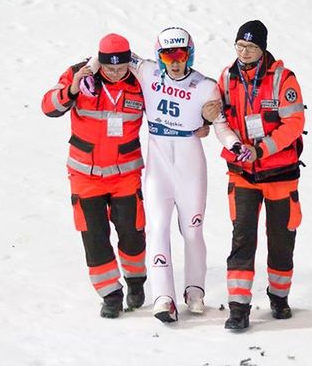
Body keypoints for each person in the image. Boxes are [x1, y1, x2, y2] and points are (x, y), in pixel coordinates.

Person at [88, 27, 238, 323]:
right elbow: (108, 54)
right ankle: (162, 297)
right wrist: (86, 75)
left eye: (181, 54)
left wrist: (235, 145)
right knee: (157, 229)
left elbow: (220, 126)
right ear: (159, 57)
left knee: (192, 231)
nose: (175, 61)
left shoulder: (205, 86)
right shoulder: (147, 72)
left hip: (190, 165)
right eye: (168, 55)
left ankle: (195, 291)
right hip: (158, 166)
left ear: (190, 54)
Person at [41, 33, 147, 319]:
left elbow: (168, 111)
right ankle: (110, 293)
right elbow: (48, 106)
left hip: (125, 173)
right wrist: (72, 90)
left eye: (120, 68)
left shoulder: (141, 79)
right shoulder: (79, 73)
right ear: (99, 61)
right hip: (85, 174)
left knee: (132, 231)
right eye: (109, 68)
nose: (114, 73)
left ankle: (136, 282)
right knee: (95, 236)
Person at [212, 20, 306, 330]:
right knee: (242, 240)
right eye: (240, 45)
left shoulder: (283, 79)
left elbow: (293, 124)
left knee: (281, 241)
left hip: (280, 174)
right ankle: (238, 307)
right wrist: (234, 144)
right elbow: (220, 120)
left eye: (251, 47)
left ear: (262, 48)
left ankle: (279, 298)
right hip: (242, 175)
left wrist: (261, 149)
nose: (244, 52)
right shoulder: (226, 78)